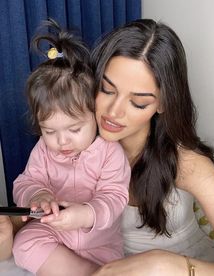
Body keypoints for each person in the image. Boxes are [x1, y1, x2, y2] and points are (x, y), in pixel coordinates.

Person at [88, 19, 214, 275]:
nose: (113, 112)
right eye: (106, 89)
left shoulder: (187, 164)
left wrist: (168, 266)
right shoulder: (73, 146)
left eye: (138, 103)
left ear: (162, 104)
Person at [11, 19, 130, 276]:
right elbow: (26, 180)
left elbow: (115, 197)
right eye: (50, 131)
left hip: (99, 243)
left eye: (74, 129)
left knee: (113, 266)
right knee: (23, 244)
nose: (62, 141)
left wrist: (85, 215)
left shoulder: (109, 152)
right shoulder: (43, 149)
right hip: (53, 234)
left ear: (94, 114)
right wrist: (37, 195)